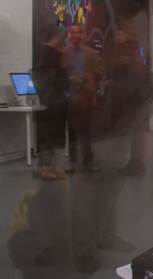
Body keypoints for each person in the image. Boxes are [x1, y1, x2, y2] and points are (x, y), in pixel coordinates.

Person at [61, 22, 104, 173]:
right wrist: (68, 79)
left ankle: (88, 161)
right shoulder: (64, 53)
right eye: (72, 32)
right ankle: (72, 161)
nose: (75, 35)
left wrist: (87, 78)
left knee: (85, 131)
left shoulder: (91, 53)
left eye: (78, 32)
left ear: (83, 34)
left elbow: (100, 71)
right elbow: (60, 75)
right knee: (71, 131)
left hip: (85, 97)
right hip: (70, 97)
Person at [112, 24, 149, 176]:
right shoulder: (125, 51)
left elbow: (133, 75)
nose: (118, 37)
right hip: (132, 98)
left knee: (137, 133)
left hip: (134, 99)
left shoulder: (130, 51)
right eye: (117, 34)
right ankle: (135, 163)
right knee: (135, 134)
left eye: (121, 34)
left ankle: (136, 164)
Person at [33, 24, 69, 181]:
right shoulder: (55, 55)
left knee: (45, 134)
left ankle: (41, 167)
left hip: (45, 99)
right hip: (55, 100)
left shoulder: (40, 54)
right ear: (55, 36)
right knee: (51, 136)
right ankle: (47, 169)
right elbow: (60, 80)